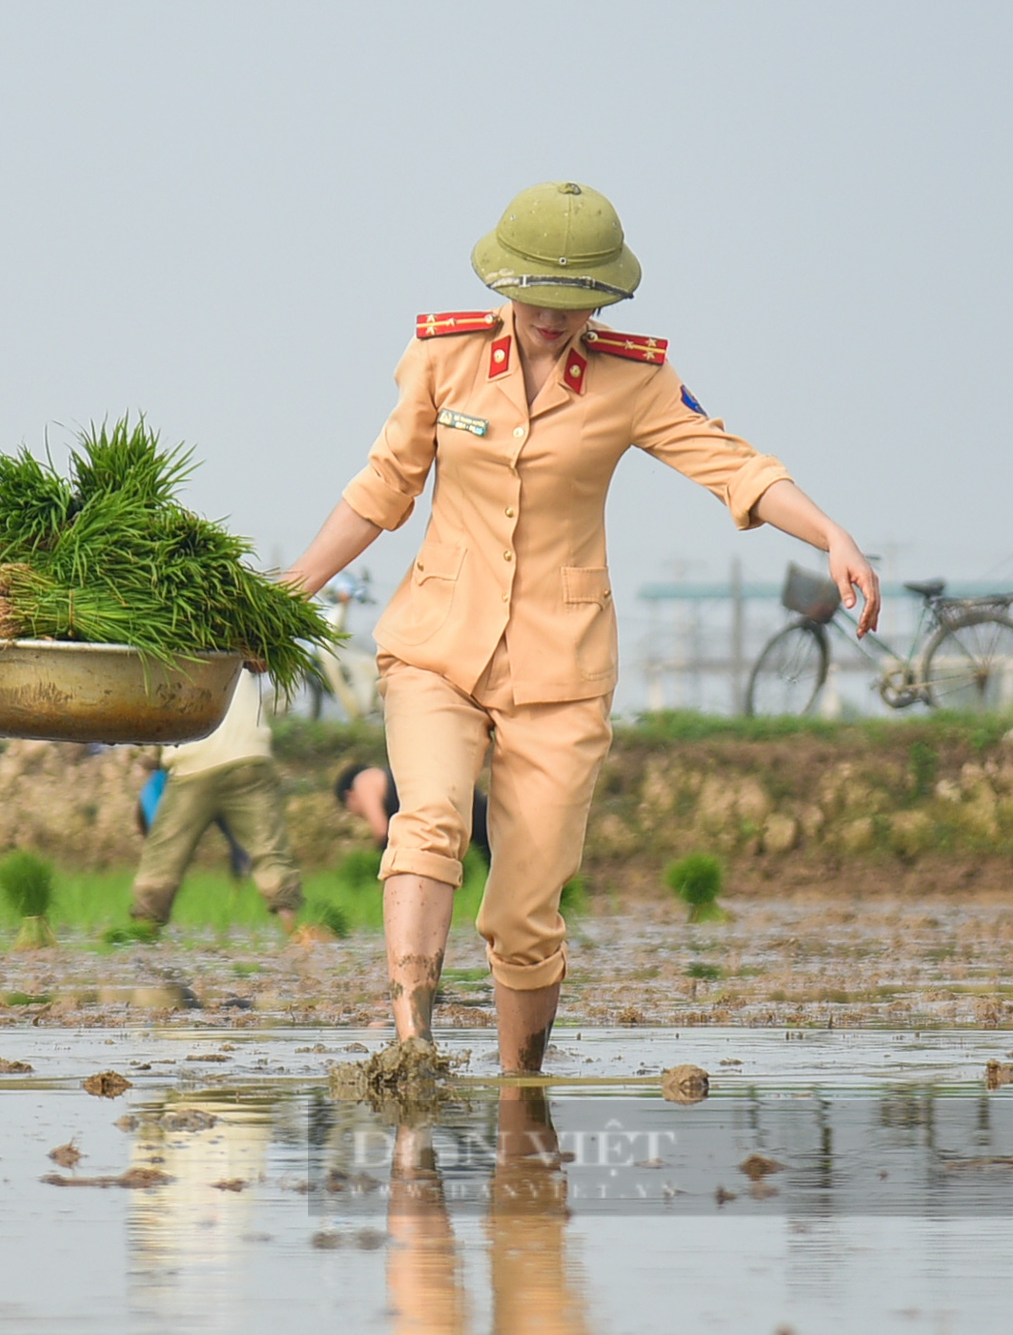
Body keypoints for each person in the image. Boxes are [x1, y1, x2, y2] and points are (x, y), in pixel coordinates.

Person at [284, 181, 879, 1073]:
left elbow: (734, 466)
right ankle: (412, 1047)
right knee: (429, 824)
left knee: (526, 910)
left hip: (560, 674)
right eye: (537, 299)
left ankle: (524, 1090)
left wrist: (830, 531)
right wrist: (292, 588)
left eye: (578, 303)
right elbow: (381, 491)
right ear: (503, 281)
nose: (554, 319)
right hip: (436, 647)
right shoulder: (442, 359)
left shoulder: (634, 378)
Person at [128, 670, 303, 933]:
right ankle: (294, 932)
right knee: (270, 852)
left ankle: (144, 933)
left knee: (163, 857)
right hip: (250, 755)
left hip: (193, 763)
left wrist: (147, 759)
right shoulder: (234, 647)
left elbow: (153, 731)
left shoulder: (161, 662)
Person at [334, 763, 491, 867]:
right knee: (493, 845)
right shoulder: (385, 777)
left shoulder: (363, 780)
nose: (357, 814)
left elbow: (381, 830)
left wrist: (389, 868)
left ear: (349, 795)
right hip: (449, 789)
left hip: (438, 795)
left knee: (495, 848)